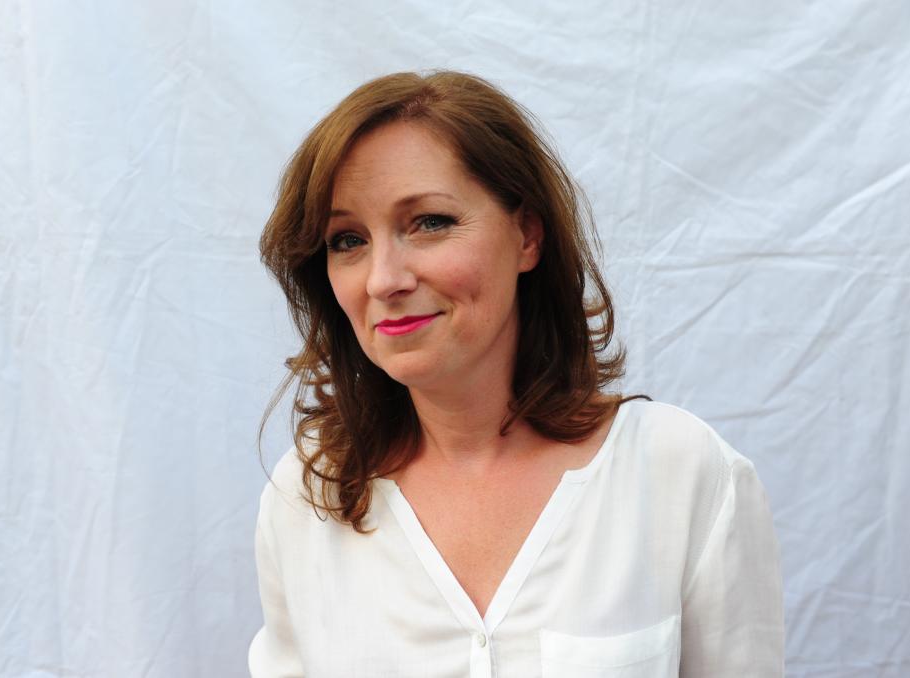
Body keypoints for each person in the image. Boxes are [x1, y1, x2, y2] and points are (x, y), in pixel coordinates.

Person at [250, 70, 784, 677]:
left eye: (430, 222)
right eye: (348, 240)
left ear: (527, 235)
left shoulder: (680, 473)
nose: (384, 280)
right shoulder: (306, 497)